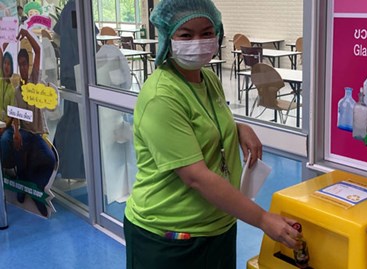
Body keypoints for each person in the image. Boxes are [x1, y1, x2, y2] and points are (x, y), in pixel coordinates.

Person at [123, 1, 301, 268]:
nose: (198, 42)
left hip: (218, 225)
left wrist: (238, 127)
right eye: (186, 35)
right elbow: (196, 177)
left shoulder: (207, 79)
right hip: (170, 237)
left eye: (207, 33)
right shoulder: (161, 96)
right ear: (167, 38)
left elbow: (204, 120)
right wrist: (263, 219)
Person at [1, 28, 56, 217]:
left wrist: (26, 33)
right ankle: (23, 180)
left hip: (37, 134)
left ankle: (37, 188)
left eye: (26, 64)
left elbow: (38, 51)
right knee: (14, 144)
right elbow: (15, 115)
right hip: (24, 133)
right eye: (21, 64)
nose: (23, 68)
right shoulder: (18, 90)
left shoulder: (34, 81)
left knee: (48, 159)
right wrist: (15, 132)